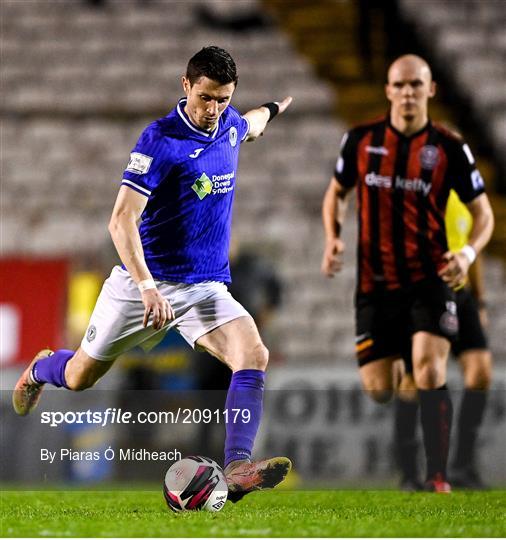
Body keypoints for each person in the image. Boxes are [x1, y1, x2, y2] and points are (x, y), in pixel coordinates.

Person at [13, 46, 293, 501]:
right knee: (83, 376)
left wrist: (278, 107)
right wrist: (145, 287)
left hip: (204, 287)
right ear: (185, 85)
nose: (213, 110)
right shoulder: (159, 140)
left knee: (253, 354)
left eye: (223, 99)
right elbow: (120, 220)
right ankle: (43, 368)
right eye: (205, 98)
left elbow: (255, 122)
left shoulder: (231, 126)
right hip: (146, 283)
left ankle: (238, 466)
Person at [321, 54, 494, 492]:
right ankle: (406, 469)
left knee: (429, 370)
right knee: (381, 387)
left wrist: (469, 254)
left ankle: (436, 475)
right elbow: (336, 193)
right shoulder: (359, 141)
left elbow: (484, 214)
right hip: (375, 285)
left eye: (416, 85)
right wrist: (333, 236)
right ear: (387, 90)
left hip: (430, 278)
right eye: (399, 85)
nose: (408, 93)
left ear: (431, 89)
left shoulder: (450, 148)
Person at [394, 189, 492, 490]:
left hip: (460, 293)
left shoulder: (467, 200)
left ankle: (463, 466)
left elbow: (472, 251)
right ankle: (410, 473)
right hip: (423, 290)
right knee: (414, 379)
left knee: (480, 373)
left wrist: (479, 298)